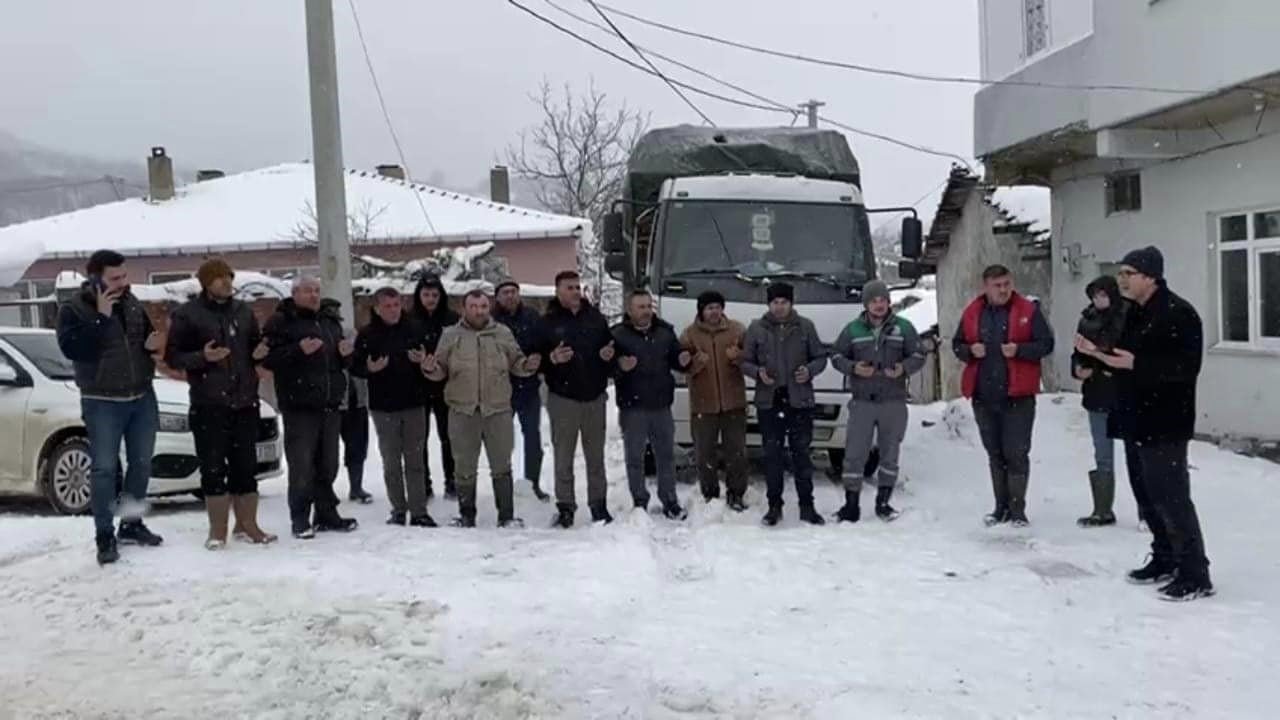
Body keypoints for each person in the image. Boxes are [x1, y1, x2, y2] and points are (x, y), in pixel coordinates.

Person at [1076, 246, 1213, 601]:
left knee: (1172, 496)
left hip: (1166, 420)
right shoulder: (1132, 313)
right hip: (1134, 418)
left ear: (1150, 277)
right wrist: (1094, 355)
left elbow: (1184, 368)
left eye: (1128, 273)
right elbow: (1122, 359)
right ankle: (1165, 557)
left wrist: (1136, 366)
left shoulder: (1179, 314)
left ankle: (1195, 573)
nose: (1121, 279)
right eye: (1121, 273)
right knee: (1147, 494)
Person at [55, 249, 165, 564]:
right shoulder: (73, 310)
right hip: (101, 399)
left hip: (141, 396)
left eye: (124, 276)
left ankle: (131, 524)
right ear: (95, 278)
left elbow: (145, 341)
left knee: (142, 464)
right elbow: (74, 350)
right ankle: (104, 536)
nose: (121, 282)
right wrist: (101, 318)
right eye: (114, 278)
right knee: (103, 469)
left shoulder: (131, 304)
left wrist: (153, 349)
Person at [164, 258, 276, 549]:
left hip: (244, 401)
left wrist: (260, 353)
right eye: (219, 278)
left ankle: (247, 524)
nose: (226, 282)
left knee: (245, 467)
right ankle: (217, 529)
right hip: (208, 404)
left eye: (228, 276)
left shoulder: (243, 311)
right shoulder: (188, 315)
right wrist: (203, 357)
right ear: (205, 283)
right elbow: (173, 357)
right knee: (213, 467)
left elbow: (254, 347)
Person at [424, 289, 541, 527]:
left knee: (501, 465)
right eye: (474, 307)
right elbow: (440, 370)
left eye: (483, 306)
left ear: (489, 308)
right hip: (462, 411)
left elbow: (516, 363)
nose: (479, 311)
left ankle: (506, 516)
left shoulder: (502, 333)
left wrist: (528, 365)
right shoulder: (450, 335)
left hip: (497, 410)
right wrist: (429, 369)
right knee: (464, 466)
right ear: (464, 309)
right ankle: (467, 515)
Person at [951, 265, 1054, 527]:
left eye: (1007, 284)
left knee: (1016, 453)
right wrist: (969, 350)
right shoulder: (973, 312)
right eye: (997, 285)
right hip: (984, 397)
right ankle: (1000, 508)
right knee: (995, 453)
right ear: (985, 286)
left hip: (1017, 395)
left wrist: (1020, 350)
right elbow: (956, 344)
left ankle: (1018, 510)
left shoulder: (1028, 311)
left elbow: (1046, 344)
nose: (1004, 289)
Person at [262, 276, 358, 538]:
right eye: (307, 291)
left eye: (317, 290)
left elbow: (341, 363)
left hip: (330, 403)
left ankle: (326, 514)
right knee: (302, 465)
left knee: (328, 465)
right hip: (299, 406)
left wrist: (346, 353)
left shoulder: (329, 321)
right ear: (294, 293)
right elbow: (267, 359)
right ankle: (300, 518)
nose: (314, 295)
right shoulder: (281, 321)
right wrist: (297, 350)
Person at [831, 279, 925, 523]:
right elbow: (836, 355)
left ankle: (883, 503)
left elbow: (918, 354)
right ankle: (851, 505)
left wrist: (903, 368)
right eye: (874, 300)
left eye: (883, 300)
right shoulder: (852, 329)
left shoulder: (903, 327)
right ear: (866, 304)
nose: (879, 305)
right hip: (862, 401)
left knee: (890, 452)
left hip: (892, 401)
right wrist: (853, 368)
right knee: (854, 454)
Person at [741, 282, 829, 527]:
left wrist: (809, 371)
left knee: (802, 454)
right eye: (775, 302)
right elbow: (744, 361)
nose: (779, 307)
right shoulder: (756, 328)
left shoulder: (805, 327)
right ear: (768, 304)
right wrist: (758, 372)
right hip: (769, 401)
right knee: (773, 456)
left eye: (784, 302)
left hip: (799, 400)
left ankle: (807, 506)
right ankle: (774, 506)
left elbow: (821, 357)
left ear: (791, 303)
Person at [537, 270, 616, 528]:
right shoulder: (547, 322)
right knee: (564, 457)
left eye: (577, 287)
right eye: (569, 288)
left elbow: (610, 351)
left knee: (595, 457)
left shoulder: (595, 319)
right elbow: (536, 359)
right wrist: (552, 359)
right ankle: (566, 506)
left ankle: (598, 504)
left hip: (594, 396)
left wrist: (608, 356)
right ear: (557, 290)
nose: (575, 292)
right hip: (563, 398)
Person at [352, 287, 436, 528]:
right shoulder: (367, 334)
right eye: (387, 306)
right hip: (383, 407)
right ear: (377, 309)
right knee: (391, 460)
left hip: (414, 403)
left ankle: (419, 511)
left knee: (415, 460)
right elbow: (355, 366)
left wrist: (423, 362)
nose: (393, 310)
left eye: (396, 305)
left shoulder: (415, 329)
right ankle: (398, 509)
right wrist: (370, 369)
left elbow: (433, 360)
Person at [612, 290, 692, 520]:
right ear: (630, 310)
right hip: (632, 406)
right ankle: (639, 502)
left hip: (661, 405)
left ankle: (670, 501)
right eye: (641, 307)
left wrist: (683, 360)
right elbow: (606, 365)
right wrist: (619, 366)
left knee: (666, 456)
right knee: (635, 458)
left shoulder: (665, 332)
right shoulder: (618, 335)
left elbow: (678, 358)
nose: (646, 311)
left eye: (649, 306)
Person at [679, 291, 749, 511]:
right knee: (704, 453)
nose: (714, 312)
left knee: (736, 452)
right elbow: (681, 367)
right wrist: (695, 363)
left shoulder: (737, 330)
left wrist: (738, 357)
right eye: (709, 308)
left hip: (734, 402)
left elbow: (753, 358)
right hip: (703, 403)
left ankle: (736, 493)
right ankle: (709, 495)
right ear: (701, 310)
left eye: (718, 307)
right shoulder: (689, 335)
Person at [1070, 275, 1130, 528]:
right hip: (1096, 393)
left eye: (1103, 294)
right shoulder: (1087, 319)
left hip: (1125, 393)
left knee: (1137, 456)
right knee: (1102, 453)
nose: (1099, 300)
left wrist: (1094, 352)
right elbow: (1077, 354)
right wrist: (1078, 368)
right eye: (1095, 295)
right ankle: (1103, 509)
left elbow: (1122, 352)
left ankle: (1147, 512)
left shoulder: (1127, 316)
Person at [493, 278, 549, 501]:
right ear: (497, 297)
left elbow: (543, 345)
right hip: (499, 389)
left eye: (514, 292)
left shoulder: (532, 317)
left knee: (532, 438)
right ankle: (503, 486)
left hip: (528, 387)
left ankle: (532, 483)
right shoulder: (491, 320)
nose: (510, 296)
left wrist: (539, 359)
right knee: (501, 441)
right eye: (505, 292)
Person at [409, 274, 459, 499]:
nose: (430, 299)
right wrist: (415, 358)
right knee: (419, 439)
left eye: (435, 295)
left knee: (449, 437)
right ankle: (424, 483)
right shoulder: (408, 319)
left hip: (446, 386)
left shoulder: (452, 319)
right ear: (419, 296)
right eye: (426, 295)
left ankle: (452, 480)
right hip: (417, 387)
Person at [340, 374, 373, 504]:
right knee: (325, 450)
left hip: (358, 400)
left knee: (358, 445)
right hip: (332, 399)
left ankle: (356, 487)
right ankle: (320, 490)